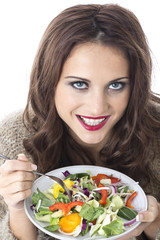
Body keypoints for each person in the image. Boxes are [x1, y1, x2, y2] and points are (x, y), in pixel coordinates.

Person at [0, 3, 160, 240]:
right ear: (49, 81)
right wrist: (17, 209)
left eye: (116, 85)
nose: (97, 107)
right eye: (79, 84)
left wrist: (155, 226)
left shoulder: (156, 131)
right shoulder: (14, 138)